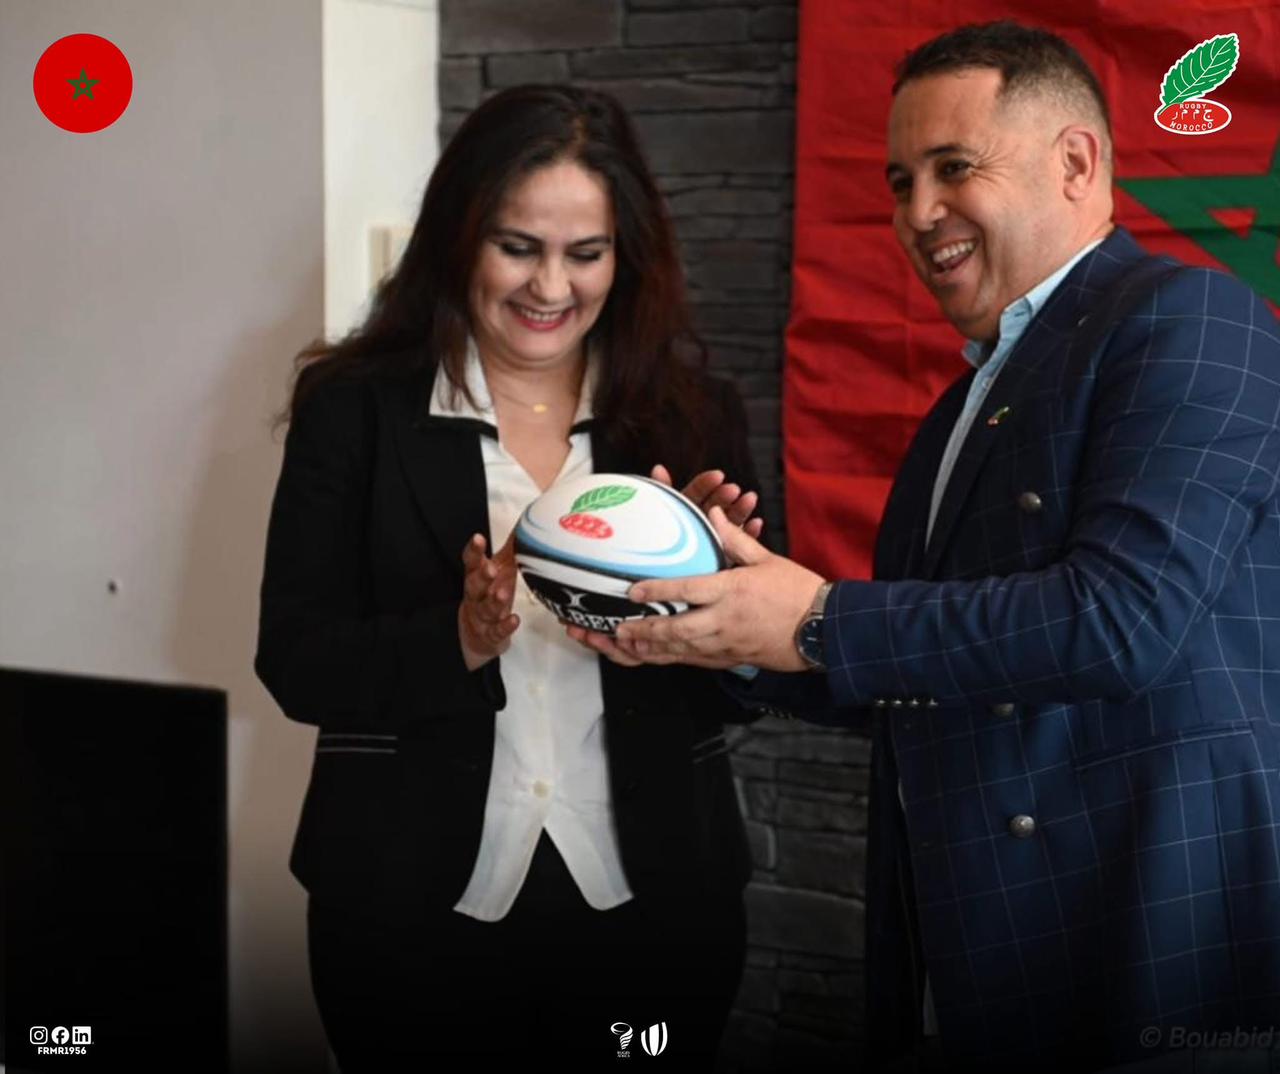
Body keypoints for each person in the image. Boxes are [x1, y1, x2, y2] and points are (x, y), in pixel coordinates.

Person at [573, 22, 1280, 1074]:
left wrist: (815, 619)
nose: (916, 213)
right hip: (968, 963)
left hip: (1150, 959)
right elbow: (924, 680)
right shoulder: (961, 407)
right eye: (901, 181)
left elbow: (1121, 622)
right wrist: (720, 622)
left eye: (954, 168)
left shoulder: (1192, 318)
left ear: (1076, 163)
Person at [254, 84, 766, 1071]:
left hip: (653, 911)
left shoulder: (691, 416)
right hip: (407, 919)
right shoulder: (353, 412)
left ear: (626, 256)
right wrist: (457, 639)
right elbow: (295, 660)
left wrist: (723, 607)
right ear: (460, 239)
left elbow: (744, 689)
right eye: (518, 247)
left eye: (586, 253)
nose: (550, 286)